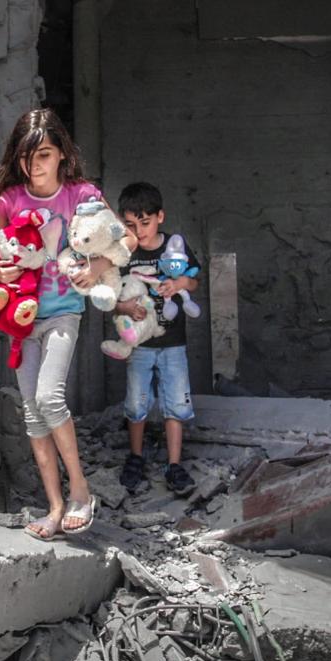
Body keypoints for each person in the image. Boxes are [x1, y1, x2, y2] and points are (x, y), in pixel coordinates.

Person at [0, 108, 128, 539]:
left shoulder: (81, 195)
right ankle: (56, 507)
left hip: (63, 311)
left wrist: (96, 266)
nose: (35, 165)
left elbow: (125, 240)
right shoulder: (8, 201)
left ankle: (81, 492)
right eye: (27, 157)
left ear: (61, 154)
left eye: (44, 154)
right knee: (33, 415)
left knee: (49, 396)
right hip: (20, 320)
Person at [113, 182, 200, 497]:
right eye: (131, 226)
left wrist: (177, 285)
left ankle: (174, 465)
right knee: (136, 403)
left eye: (145, 223)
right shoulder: (124, 253)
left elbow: (193, 281)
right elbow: (108, 296)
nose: (140, 232)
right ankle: (135, 457)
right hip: (139, 345)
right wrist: (125, 307)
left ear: (160, 217)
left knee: (175, 403)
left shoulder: (175, 246)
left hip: (173, 344)